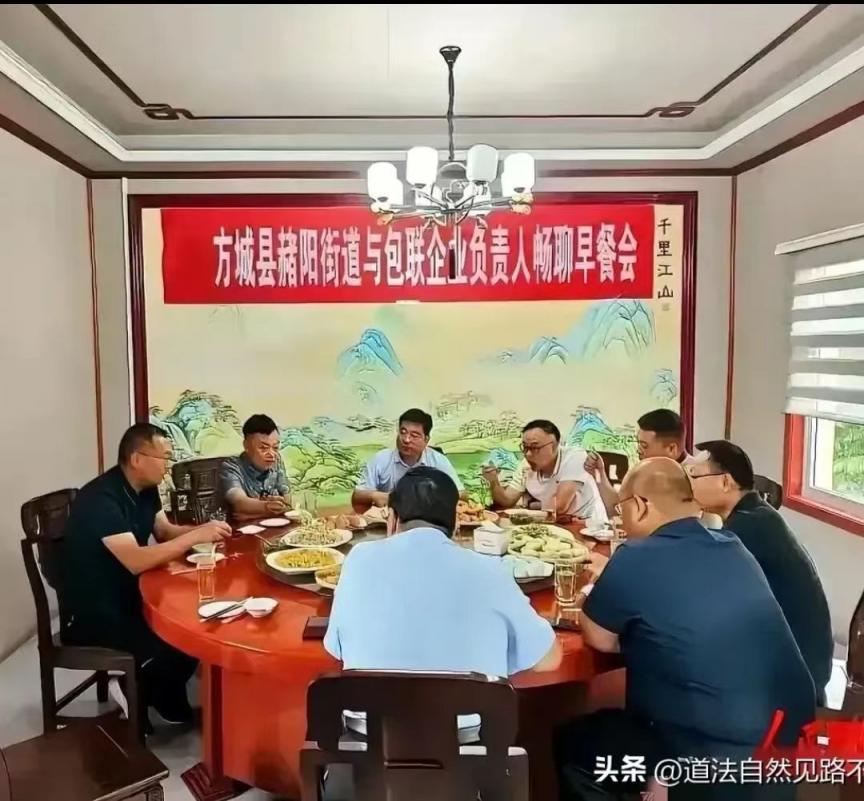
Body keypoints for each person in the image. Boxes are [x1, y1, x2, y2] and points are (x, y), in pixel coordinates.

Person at [555, 458, 815, 799]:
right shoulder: (733, 546)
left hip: (708, 755)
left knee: (574, 744)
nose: (621, 519)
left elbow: (599, 637)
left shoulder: (636, 554)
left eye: (621, 509)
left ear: (641, 505)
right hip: (787, 740)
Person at [61, 423, 231, 727]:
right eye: (164, 457)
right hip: (96, 610)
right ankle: (134, 688)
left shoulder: (146, 488)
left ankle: (162, 696)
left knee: (193, 624)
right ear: (137, 459)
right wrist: (195, 537)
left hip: (128, 592)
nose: (168, 466)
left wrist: (205, 531)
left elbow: (164, 531)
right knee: (176, 638)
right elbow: (136, 560)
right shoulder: (101, 500)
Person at [328, 466, 561, 676]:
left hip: (371, 712)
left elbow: (337, 647)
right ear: (456, 525)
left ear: (392, 518)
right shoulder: (490, 571)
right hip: (473, 712)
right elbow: (548, 660)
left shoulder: (358, 560)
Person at [689, 440, 833, 704]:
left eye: (695, 476)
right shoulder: (757, 514)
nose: (689, 485)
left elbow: (702, 592)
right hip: (802, 664)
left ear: (725, 482)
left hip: (793, 681)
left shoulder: (747, 527)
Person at [482, 419, 606, 523]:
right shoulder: (526, 464)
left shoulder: (574, 456)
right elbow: (507, 501)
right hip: (552, 522)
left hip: (587, 524)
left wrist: (529, 508)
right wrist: (493, 481)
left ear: (554, 445)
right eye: (525, 447)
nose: (528, 454)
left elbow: (560, 507)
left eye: (535, 447)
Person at [586, 408, 696, 515]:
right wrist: (599, 473)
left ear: (671, 449)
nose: (638, 450)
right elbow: (618, 508)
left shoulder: (696, 480)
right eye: (639, 443)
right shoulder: (645, 473)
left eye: (644, 446)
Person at [352, 408, 464, 509]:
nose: (406, 440)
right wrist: (376, 496)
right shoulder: (381, 459)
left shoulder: (438, 460)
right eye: (403, 432)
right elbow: (357, 496)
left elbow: (462, 494)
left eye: (414, 435)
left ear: (426, 440)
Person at [219, 414, 291, 520]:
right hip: (245, 529)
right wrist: (268, 507)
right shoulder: (232, 466)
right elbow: (240, 503)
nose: (272, 454)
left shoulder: (276, 460)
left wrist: (254, 513)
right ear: (246, 445)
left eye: (275, 448)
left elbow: (287, 500)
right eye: (263, 448)